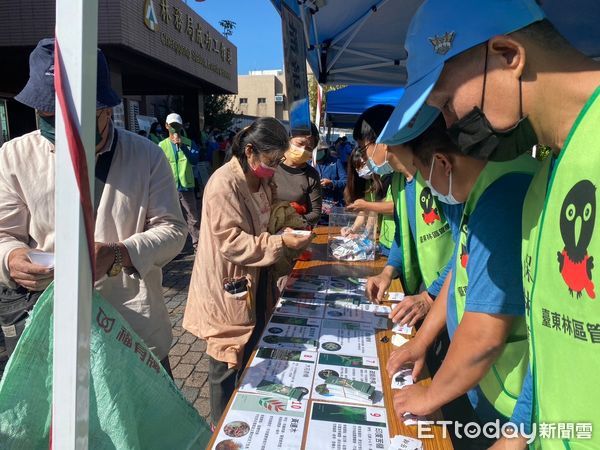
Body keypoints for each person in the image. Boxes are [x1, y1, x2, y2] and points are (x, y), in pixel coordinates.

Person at [0, 38, 187, 374]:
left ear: (105, 110)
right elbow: (4, 233)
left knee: (143, 426)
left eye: (76, 115)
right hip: (53, 332)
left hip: (134, 331)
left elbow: (174, 231)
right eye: (48, 114)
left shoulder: (146, 156)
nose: (63, 126)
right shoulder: (14, 156)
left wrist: (120, 253)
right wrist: (12, 258)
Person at [384, 114, 538, 439]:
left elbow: (484, 337)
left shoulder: (502, 196)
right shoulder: (488, 186)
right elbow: (459, 271)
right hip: (485, 385)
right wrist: (422, 341)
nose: (428, 188)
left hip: (509, 402)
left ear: (443, 163)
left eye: (425, 176)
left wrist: (430, 395)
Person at [182, 118, 314, 428]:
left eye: (278, 160)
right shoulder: (222, 184)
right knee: (225, 362)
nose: (274, 167)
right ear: (250, 151)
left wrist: (285, 228)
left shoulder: (264, 180)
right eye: (271, 160)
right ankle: (221, 430)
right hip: (228, 284)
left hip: (258, 276)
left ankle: (248, 420)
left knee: (254, 346)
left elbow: (265, 222)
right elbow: (231, 241)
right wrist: (280, 241)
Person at [366, 115, 460, 330]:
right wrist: (387, 272)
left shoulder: (441, 177)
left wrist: (430, 296)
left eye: (367, 148)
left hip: (448, 294)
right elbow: (403, 234)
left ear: (385, 142)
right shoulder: (400, 181)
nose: (367, 157)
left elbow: (464, 246)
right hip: (423, 288)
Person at [159, 113, 201, 250]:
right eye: (172, 126)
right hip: (169, 187)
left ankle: (197, 245)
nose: (174, 129)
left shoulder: (189, 143)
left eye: (177, 126)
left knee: (192, 217)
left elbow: (194, 160)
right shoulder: (162, 145)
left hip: (186, 187)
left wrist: (182, 146)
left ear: (181, 126)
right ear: (166, 126)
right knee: (171, 219)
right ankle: (174, 248)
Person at [274, 123, 322, 228]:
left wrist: (293, 221)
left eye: (309, 148)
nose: (303, 150)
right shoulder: (271, 165)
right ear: (289, 140)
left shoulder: (311, 175)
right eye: (300, 143)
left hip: (293, 233)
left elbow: (315, 213)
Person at [313, 144, 347, 216]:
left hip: (333, 203)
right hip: (315, 204)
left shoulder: (336, 162)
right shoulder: (310, 163)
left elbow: (345, 181)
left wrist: (331, 183)